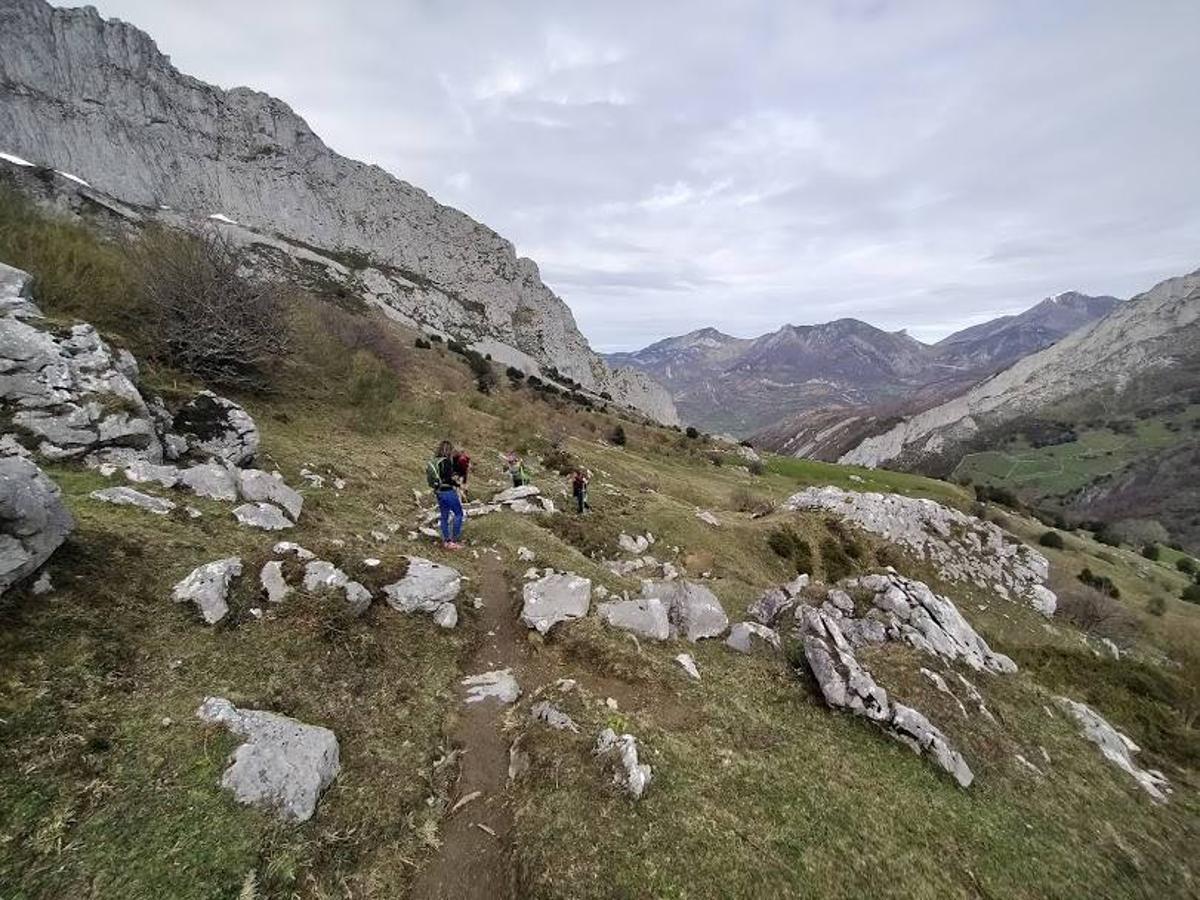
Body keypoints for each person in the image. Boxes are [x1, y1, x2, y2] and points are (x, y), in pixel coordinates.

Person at [426, 440, 465, 549]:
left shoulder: (435, 460)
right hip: (448, 491)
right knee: (458, 514)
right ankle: (454, 540)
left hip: (439, 492)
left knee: (444, 516)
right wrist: (457, 484)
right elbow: (447, 479)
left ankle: (446, 541)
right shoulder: (446, 461)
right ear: (449, 450)